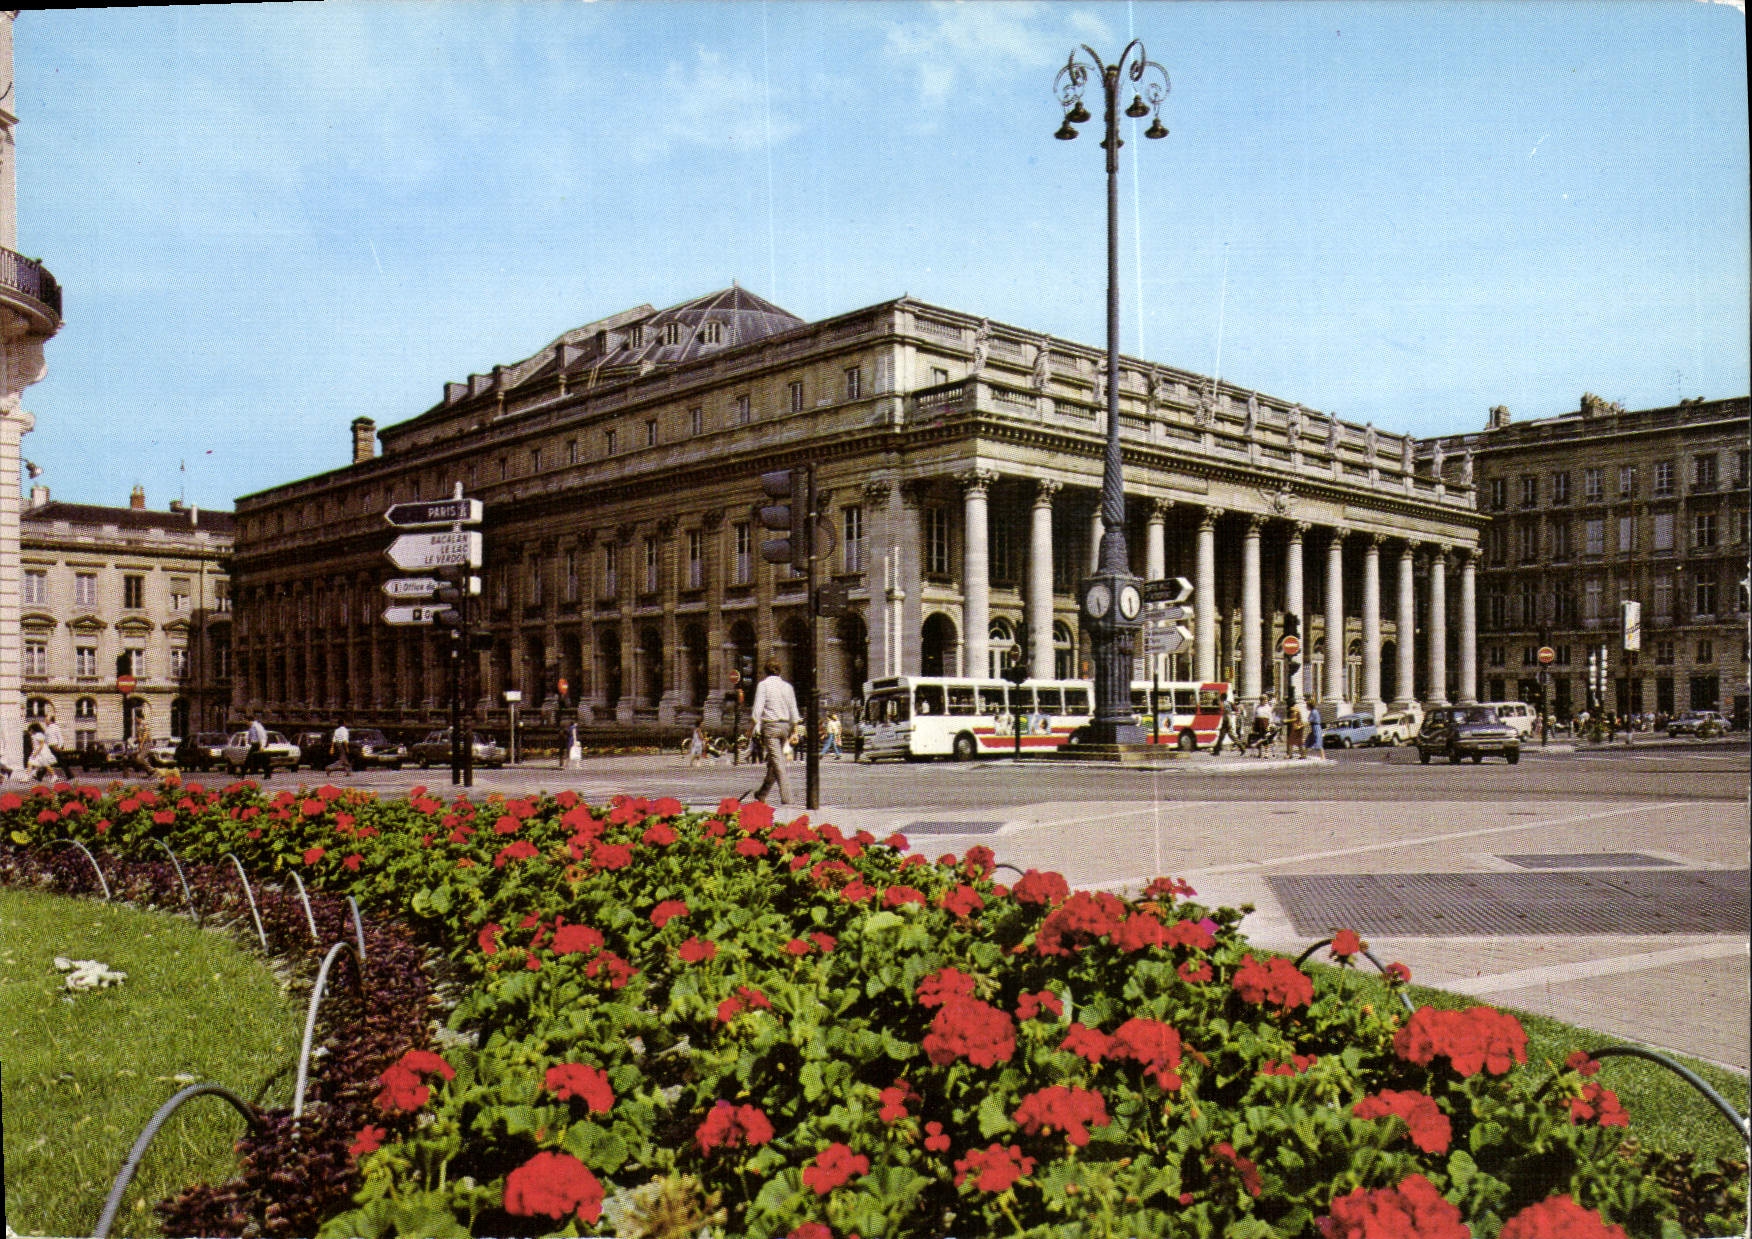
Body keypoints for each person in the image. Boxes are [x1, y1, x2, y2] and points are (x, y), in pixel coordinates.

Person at [747, 659, 800, 806]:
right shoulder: (787, 687)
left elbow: (757, 711)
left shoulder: (763, 685)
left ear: (765, 671)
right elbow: (793, 710)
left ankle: (787, 797)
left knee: (777, 762)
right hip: (785, 727)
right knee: (773, 762)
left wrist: (750, 729)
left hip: (770, 727)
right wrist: (795, 731)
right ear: (780, 671)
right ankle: (762, 793)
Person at [244, 713, 274, 780]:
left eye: (245, 721)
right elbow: (250, 737)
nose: (245, 722)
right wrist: (248, 742)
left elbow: (262, 736)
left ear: (249, 720)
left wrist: (262, 746)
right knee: (260, 760)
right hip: (254, 745)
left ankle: (243, 774)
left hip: (258, 745)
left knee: (251, 758)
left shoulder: (257, 726)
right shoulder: (251, 727)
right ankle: (267, 774)